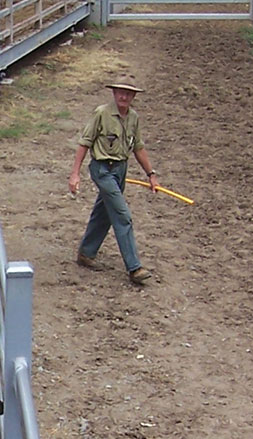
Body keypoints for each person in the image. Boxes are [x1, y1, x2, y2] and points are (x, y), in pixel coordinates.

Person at [68, 76, 160, 285]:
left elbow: (138, 147)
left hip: (120, 171)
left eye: (128, 93)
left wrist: (151, 175)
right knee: (122, 215)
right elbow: (84, 143)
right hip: (102, 170)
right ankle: (134, 267)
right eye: (120, 91)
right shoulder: (101, 113)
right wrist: (75, 173)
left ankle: (86, 252)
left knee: (104, 212)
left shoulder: (133, 118)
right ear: (114, 93)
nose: (124, 96)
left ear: (134, 96)